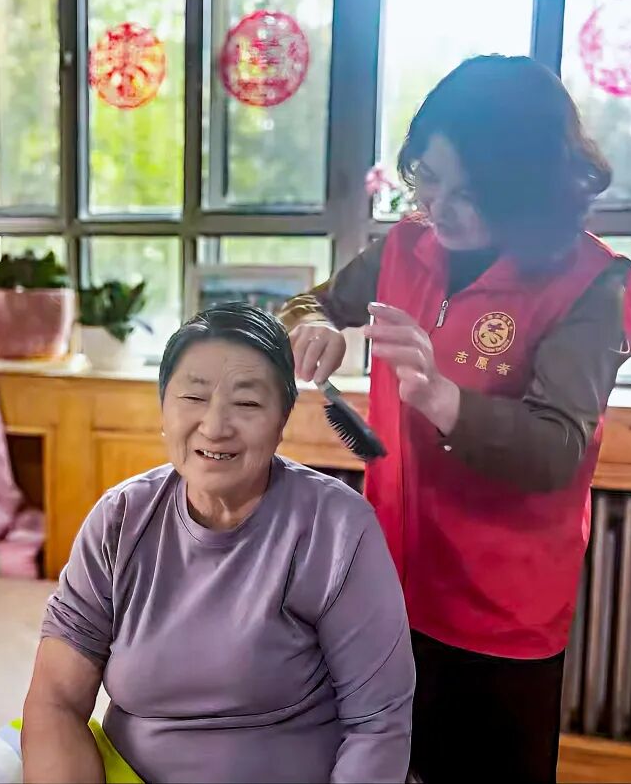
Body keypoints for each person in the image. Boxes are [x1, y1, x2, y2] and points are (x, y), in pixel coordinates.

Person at [280, 55, 631, 783]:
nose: (439, 206)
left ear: (527, 190)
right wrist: (310, 324)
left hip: (500, 616)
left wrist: (443, 398)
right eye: (428, 176)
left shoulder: (592, 283)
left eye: (469, 192)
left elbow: (556, 449)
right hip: (386, 587)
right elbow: (309, 302)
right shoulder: (405, 246)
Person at [22, 302, 416, 784]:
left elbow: (378, 725)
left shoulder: (337, 528)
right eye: (193, 397)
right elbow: (56, 700)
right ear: (164, 408)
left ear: (282, 420)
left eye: (247, 404)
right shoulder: (120, 518)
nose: (215, 426)